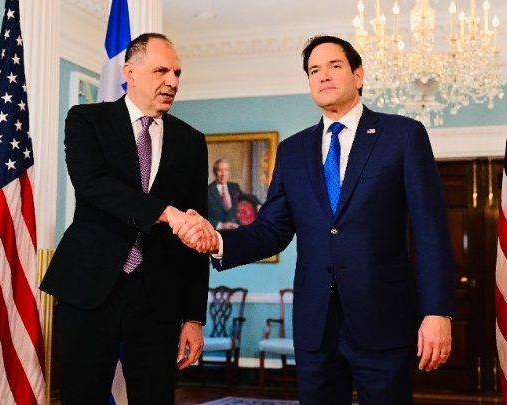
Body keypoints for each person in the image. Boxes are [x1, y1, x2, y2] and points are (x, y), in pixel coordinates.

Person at [178, 35, 454, 405]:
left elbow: (430, 230)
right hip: (316, 325)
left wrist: (437, 311)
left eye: (334, 66)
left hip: (383, 319)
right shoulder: (293, 151)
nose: (323, 75)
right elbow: (273, 228)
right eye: (314, 70)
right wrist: (218, 240)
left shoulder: (402, 136)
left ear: (358, 75)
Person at [40, 33, 216, 405]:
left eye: (177, 73)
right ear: (130, 73)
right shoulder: (87, 120)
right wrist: (166, 213)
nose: (172, 81)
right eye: (161, 71)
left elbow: (195, 230)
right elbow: (93, 185)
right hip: (89, 289)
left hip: (158, 300)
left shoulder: (191, 141)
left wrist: (193, 318)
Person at [207, 158, 244, 229]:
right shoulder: (208, 190)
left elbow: (247, 196)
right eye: (220, 170)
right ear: (214, 172)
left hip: (236, 227)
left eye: (226, 170)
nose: (223, 174)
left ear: (229, 172)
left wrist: (258, 205)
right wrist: (220, 225)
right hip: (218, 230)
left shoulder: (234, 186)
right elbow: (201, 215)